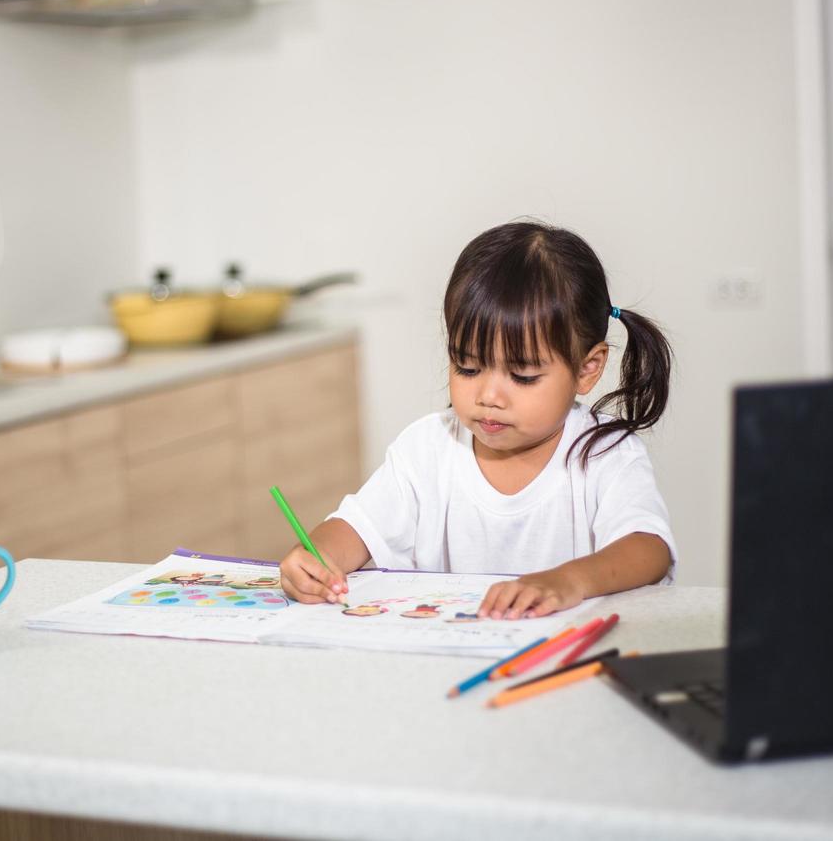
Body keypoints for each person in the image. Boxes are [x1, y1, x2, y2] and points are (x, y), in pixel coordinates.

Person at [279, 220, 676, 620]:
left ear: (587, 369)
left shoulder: (605, 453)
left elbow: (648, 548)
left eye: (523, 376)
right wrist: (318, 557)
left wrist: (567, 581)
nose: (488, 397)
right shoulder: (427, 448)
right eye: (467, 368)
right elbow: (357, 528)